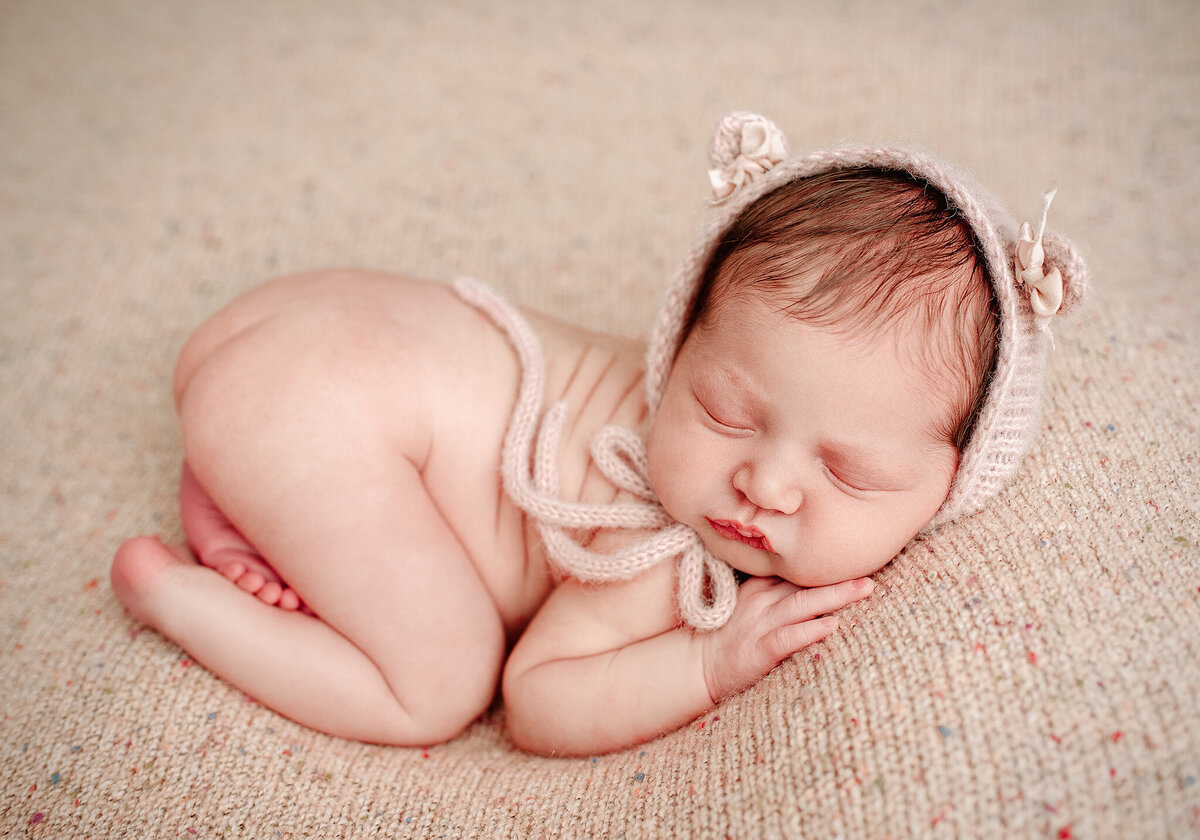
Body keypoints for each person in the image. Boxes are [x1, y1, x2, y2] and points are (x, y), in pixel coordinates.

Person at [110, 113, 1087, 757]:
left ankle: (235, 493)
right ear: (679, 345)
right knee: (439, 684)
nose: (767, 484)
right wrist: (707, 663)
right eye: (725, 413)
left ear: (956, 482)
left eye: (848, 470)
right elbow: (536, 702)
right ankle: (178, 596)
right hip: (310, 405)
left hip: (299, 334)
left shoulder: (751, 421)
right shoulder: (656, 545)